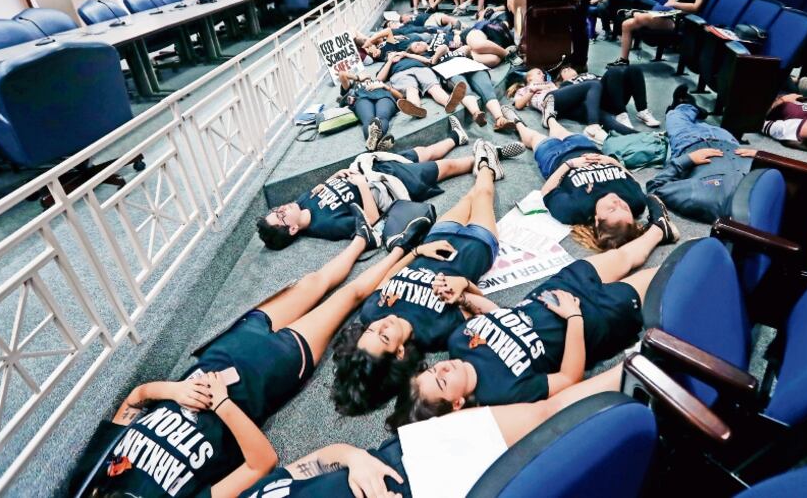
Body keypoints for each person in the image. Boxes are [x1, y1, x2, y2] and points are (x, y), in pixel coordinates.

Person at [71, 214, 403, 498]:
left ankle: (363, 239)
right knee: (348, 297)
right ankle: (407, 249)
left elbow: (136, 398)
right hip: (267, 372)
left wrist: (172, 390)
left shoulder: (89, 481)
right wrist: (221, 404)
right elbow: (262, 463)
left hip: (223, 350)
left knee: (314, 282)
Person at [390, 225, 671, 421]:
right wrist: (574, 318)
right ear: (457, 403)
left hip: (553, 291)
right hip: (594, 319)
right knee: (663, 277)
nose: (443, 367)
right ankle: (709, 255)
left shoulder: (458, 342)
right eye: (441, 381)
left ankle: (660, 229)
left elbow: (501, 314)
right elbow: (568, 379)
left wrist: (465, 300)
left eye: (433, 369)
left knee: (622, 256)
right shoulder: (503, 392)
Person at [240, 364, 637, 498]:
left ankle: (645, 366)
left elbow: (317, 461)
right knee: (553, 463)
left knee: (540, 415)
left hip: (399, 456)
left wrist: (354, 457)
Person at [330, 141, 509, 416]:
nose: (380, 325)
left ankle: (484, 159)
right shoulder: (434, 333)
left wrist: (416, 250)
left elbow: (389, 277)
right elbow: (485, 311)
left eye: (370, 330)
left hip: (435, 239)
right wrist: (464, 286)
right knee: (484, 191)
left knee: (466, 198)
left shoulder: (372, 311)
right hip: (476, 248)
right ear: (400, 352)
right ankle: (487, 159)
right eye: (385, 336)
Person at [499, 104, 678, 250]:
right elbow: (628, 176)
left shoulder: (575, 210)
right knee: (559, 129)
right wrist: (608, 160)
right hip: (588, 149)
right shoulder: (636, 202)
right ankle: (550, 118)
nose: (619, 203)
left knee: (534, 139)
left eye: (612, 210)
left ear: (598, 219)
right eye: (625, 210)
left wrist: (569, 165)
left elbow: (546, 191)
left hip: (556, 159)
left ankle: (517, 122)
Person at [257, 130, 472, 250]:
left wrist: (336, 175)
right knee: (445, 168)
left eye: (277, 209)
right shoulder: (326, 226)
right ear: (292, 229)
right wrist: (361, 185)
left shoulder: (302, 202)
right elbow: (371, 220)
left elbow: (324, 186)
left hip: (373, 168)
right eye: (281, 215)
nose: (282, 208)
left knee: (422, 151)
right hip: (385, 185)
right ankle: (488, 157)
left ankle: (456, 136)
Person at [646, 84, 759, 223]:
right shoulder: (765, 190)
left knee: (675, 115)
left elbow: (655, 188)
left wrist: (688, 159)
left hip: (688, 143)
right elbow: (788, 175)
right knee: (704, 124)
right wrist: (762, 156)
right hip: (728, 141)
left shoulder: (704, 198)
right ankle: (693, 110)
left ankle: (684, 105)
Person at [507, 68, 609, 145]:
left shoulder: (550, 83)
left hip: (562, 105)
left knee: (600, 114)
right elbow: (519, 105)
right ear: (529, 78)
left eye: (543, 73)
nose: (542, 74)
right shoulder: (525, 89)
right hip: (549, 101)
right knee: (594, 84)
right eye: (539, 73)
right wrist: (533, 90)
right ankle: (592, 127)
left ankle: (621, 136)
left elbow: (563, 93)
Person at [430, 44, 516, 130]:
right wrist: (438, 53)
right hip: (450, 71)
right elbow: (441, 51)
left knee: (487, 89)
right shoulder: (433, 57)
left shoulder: (459, 51)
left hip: (471, 66)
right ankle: (476, 113)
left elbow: (467, 48)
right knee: (463, 88)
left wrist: (457, 52)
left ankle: (500, 118)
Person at [376, 41, 467, 118]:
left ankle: (448, 103)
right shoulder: (388, 65)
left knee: (433, 86)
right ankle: (416, 109)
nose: (393, 55)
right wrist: (390, 60)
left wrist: (406, 54)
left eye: (395, 53)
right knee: (410, 89)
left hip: (421, 69)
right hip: (400, 74)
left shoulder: (409, 56)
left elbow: (427, 61)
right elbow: (379, 78)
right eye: (390, 55)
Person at [337, 71, 404, 151]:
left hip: (384, 97)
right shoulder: (353, 86)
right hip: (362, 99)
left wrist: (385, 87)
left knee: (382, 116)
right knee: (369, 120)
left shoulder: (379, 82)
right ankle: (379, 142)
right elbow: (341, 74)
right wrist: (358, 78)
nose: (365, 73)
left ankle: (374, 144)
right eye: (362, 73)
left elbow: (401, 97)